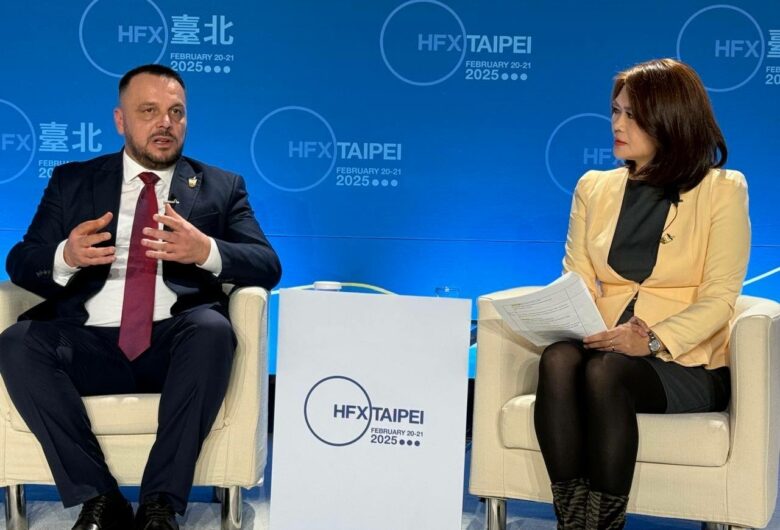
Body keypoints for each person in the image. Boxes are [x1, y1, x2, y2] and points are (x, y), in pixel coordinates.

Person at [0, 64, 281, 530]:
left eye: (176, 112)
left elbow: (267, 264)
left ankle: (159, 504)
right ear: (120, 120)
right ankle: (99, 497)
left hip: (175, 345)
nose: (165, 123)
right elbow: (21, 261)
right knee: (17, 342)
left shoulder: (221, 186)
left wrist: (205, 250)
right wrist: (66, 255)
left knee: (212, 329)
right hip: (89, 343)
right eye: (148, 111)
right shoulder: (73, 181)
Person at [533, 58, 750, 529]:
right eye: (615, 111)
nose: (617, 124)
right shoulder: (594, 187)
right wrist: (559, 314)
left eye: (632, 115)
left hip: (685, 362)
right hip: (606, 344)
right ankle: (573, 521)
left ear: (671, 118)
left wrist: (651, 340)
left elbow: (720, 298)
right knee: (558, 358)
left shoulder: (722, 190)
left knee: (605, 373)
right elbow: (577, 277)